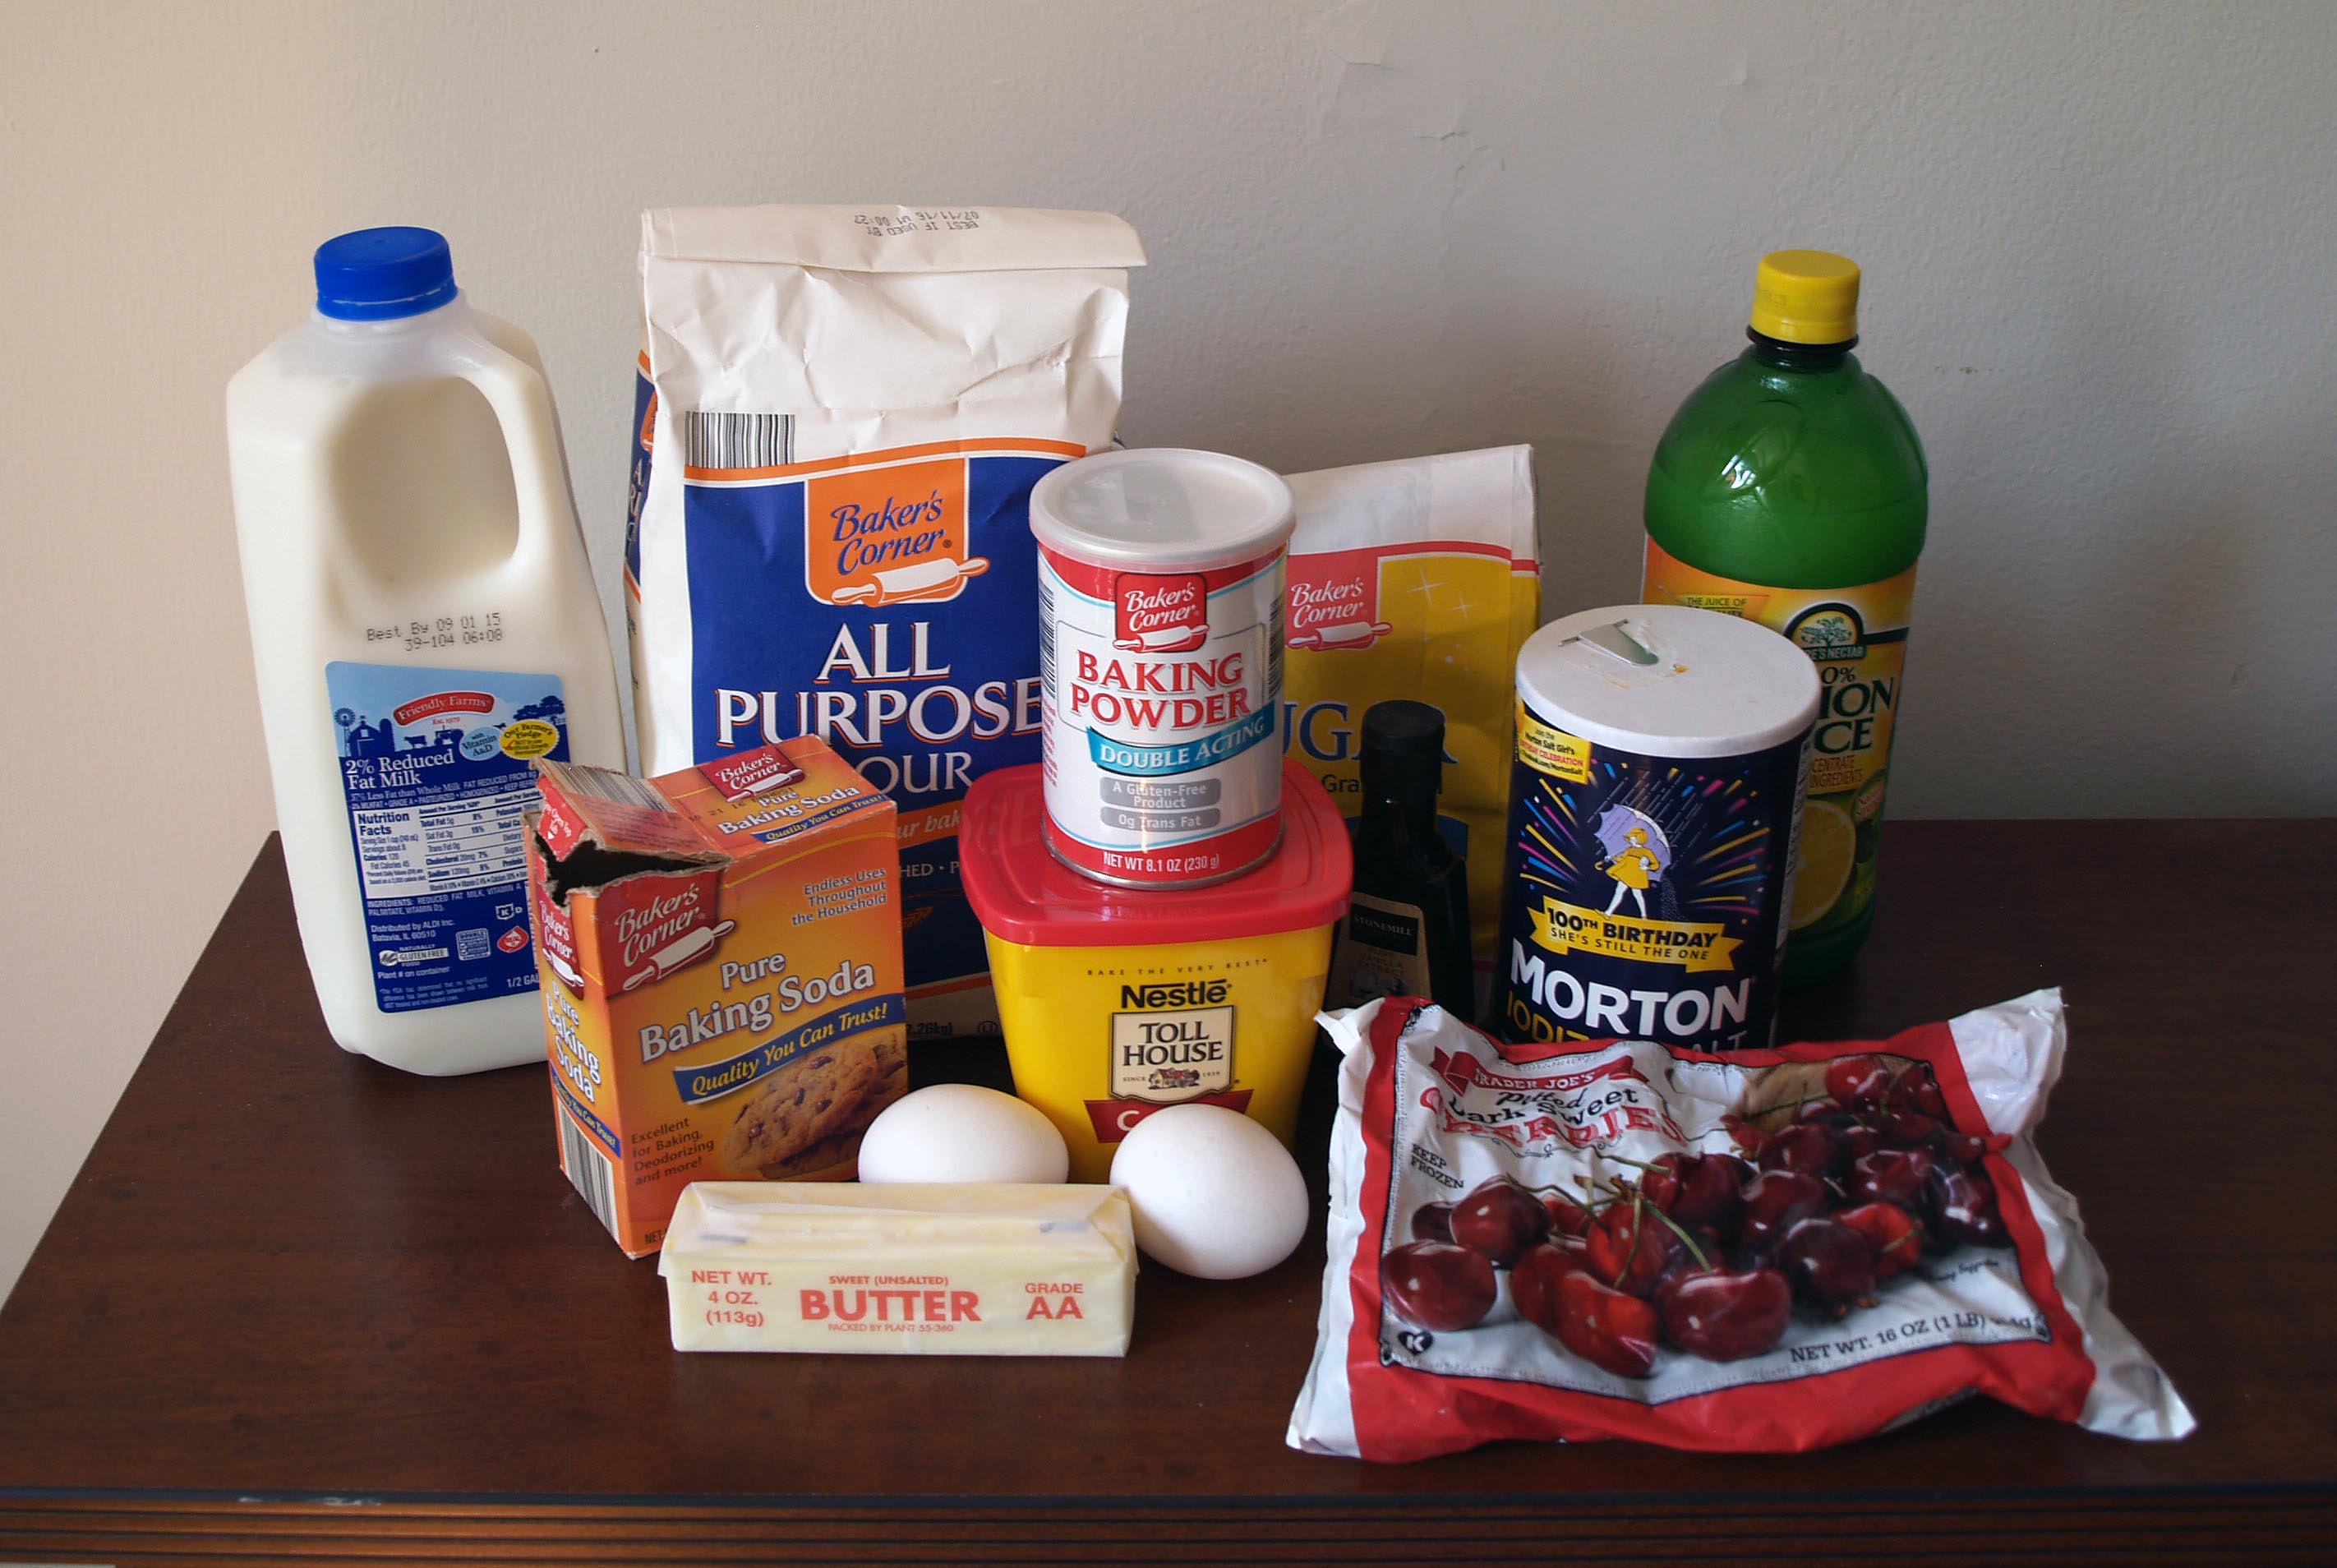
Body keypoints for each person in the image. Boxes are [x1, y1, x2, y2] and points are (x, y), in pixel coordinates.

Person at [1601, 826, 1661, 916]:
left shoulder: (1647, 852)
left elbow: (1656, 865)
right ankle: (1608, 913)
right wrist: (1611, 858)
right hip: (1625, 874)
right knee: (1619, 892)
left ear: (1639, 838)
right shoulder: (1629, 850)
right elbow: (1622, 859)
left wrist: (1647, 867)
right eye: (1630, 838)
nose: (1630, 840)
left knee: (1637, 895)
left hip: (1636, 876)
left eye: (1632, 838)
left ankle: (1644, 915)